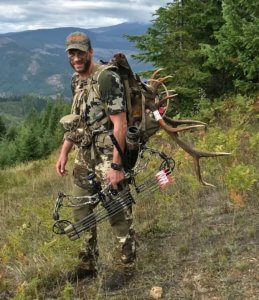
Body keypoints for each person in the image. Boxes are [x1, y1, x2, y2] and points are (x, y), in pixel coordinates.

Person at [55, 32, 136, 291]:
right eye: (72, 53)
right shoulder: (76, 80)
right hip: (84, 154)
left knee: (116, 210)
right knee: (80, 207)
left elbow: (119, 123)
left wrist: (116, 166)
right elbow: (78, 119)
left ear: (90, 52)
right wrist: (64, 151)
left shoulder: (106, 77)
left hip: (106, 155)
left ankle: (127, 266)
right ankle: (87, 263)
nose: (76, 58)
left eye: (80, 52)